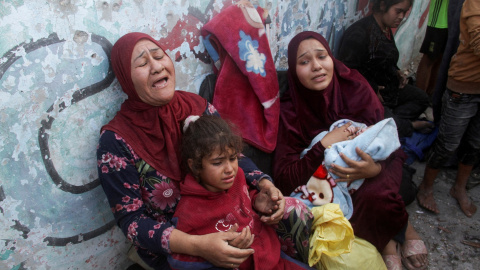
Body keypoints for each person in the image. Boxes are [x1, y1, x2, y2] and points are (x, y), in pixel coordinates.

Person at [96, 32, 303, 269]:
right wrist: (198, 246)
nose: (156, 66)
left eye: (159, 56)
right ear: (126, 78)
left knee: (294, 216)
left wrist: (265, 185)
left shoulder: (197, 107)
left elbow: (234, 155)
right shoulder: (115, 141)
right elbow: (132, 222)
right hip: (180, 251)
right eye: (143, 63)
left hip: (230, 219)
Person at [273, 31, 428, 270]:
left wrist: (374, 169)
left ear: (331, 59)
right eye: (304, 62)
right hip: (329, 178)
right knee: (337, 210)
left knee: (380, 193)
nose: (316, 66)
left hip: (377, 162)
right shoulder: (290, 112)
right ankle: (388, 240)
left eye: (322, 57)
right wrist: (323, 145)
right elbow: (284, 178)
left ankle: (403, 231)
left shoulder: (355, 86)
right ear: (294, 71)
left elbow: (386, 140)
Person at [168, 115, 312, 270]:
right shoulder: (189, 212)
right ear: (195, 166)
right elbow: (178, 261)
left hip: (272, 256)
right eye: (218, 162)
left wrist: (257, 201)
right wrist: (225, 248)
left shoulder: (238, 178)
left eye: (233, 158)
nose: (229, 169)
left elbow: (244, 197)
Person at [416, 0, 479, 218]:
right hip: (464, 87)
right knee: (448, 142)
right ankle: (426, 186)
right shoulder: (474, 3)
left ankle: (459, 187)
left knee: (475, 143)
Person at [337, 0, 433, 138]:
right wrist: (372, 88)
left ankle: (392, 122)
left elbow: (384, 58)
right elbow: (347, 72)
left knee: (422, 99)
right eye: (398, 11)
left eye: (405, 12)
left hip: (389, 88)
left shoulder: (385, 28)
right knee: (382, 119)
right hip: (367, 96)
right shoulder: (359, 33)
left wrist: (397, 71)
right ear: (383, 5)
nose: (402, 17)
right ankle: (406, 125)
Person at [292, 118, 401, 220]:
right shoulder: (354, 129)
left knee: (384, 198)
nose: (364, 131)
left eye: (368, 132)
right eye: (366, 128)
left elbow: (333, 159)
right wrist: (343, 131)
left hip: (342, 180)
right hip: (312, 166)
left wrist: (377, 169)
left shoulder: (360, 148)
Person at [415, 0, 449, 96]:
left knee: (440, 59)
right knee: (429, 59)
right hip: (438, 20)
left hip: (451, 20)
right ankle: (419, 96)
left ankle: (430, 94)